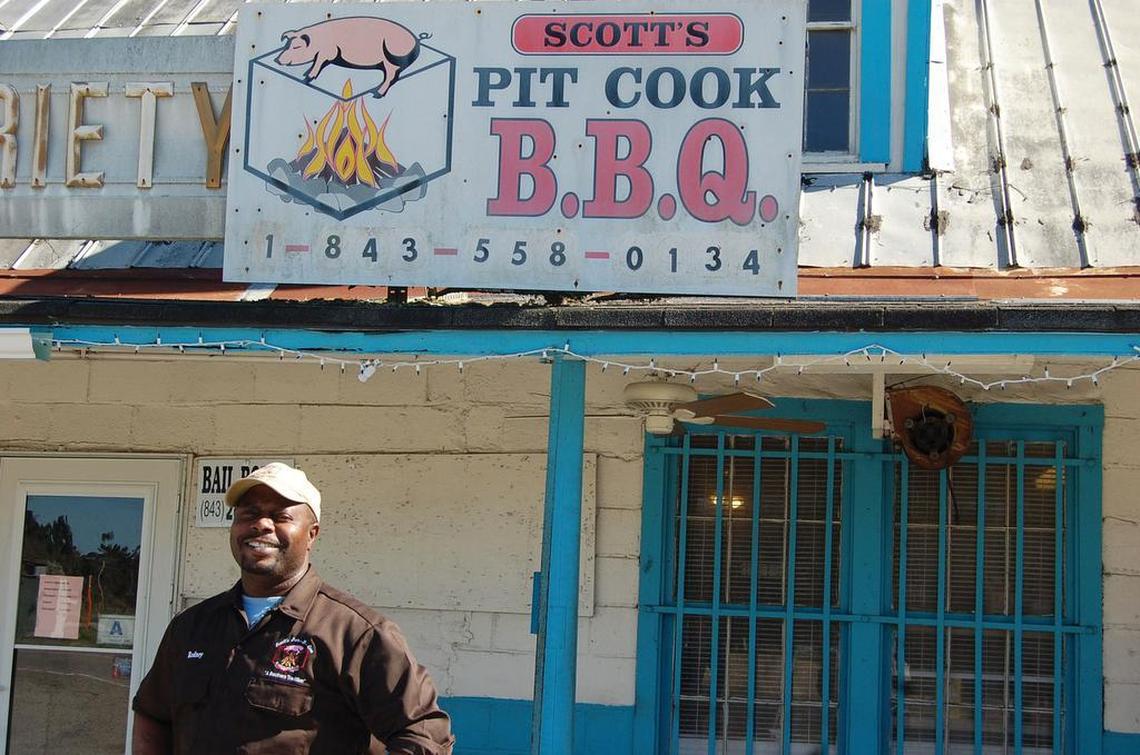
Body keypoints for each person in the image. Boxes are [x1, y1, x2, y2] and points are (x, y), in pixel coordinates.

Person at [131, 462, 454, 754]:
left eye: (281, 515)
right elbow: (153, 714)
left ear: (311, 534)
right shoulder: (193, 626)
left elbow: (424, 735)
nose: (261, 524)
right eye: (249, 514)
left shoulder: (356, 633)